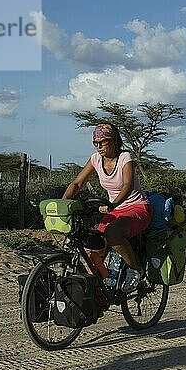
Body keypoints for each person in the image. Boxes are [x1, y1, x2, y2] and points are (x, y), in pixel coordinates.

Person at [62, 123, 152, 292]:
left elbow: (127, 185)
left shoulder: (125, 157)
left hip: (137, 207)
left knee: (112, 233)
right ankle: (99, 285)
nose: (99, 146)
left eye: (103, 142)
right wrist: (63, 203)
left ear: (114, 141)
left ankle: (136, 270)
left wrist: (113, 204)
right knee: (96, 244)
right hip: (115, 210)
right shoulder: (95, 159)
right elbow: (77, 183)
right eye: (95, 143)